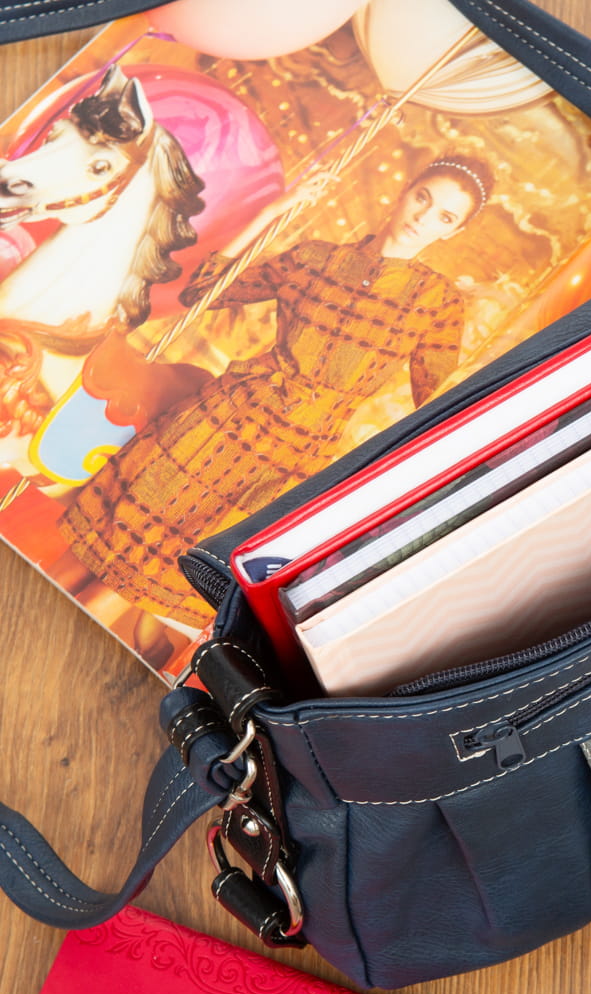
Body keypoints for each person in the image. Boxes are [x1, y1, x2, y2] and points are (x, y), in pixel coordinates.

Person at [54, 155, 494, 635]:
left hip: (295, 453)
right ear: (405, 189)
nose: (422, 218)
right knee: (115, 541)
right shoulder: (314, 257)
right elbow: (204, 290)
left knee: (172, 565)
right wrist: (272, 213)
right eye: (422, 198)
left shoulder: (437, 302)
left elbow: (440, 405)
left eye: (444, 217)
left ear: (453, 232)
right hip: (225, 414)